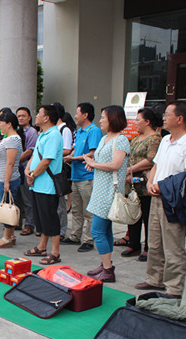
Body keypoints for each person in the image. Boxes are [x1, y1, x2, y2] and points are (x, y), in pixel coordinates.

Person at [135, 101, 186, 298]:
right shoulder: (165, 140)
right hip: (156, 195)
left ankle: (174, 287)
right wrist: (150, 183)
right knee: (154, 242)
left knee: (173, 245)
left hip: (174, 199)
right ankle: (154, 278)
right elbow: (155, 165)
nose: (163, 117)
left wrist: (163, 186)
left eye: (167, 114)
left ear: (179, 119)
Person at [82, 106, 130, 282]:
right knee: (106, 230)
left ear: (113, 119)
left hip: (110, 191)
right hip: (100, 189)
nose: (101, 120)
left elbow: (116, 164)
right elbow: (103, 162)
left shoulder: (121, 140)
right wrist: (92, 162)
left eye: (103, 117)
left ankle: (108, 269)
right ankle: (105, 264)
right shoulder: (104, 139)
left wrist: (94, 165)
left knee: (96, 231)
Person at [119, 108, 162, 262]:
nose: (135, 123)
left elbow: (151, 160)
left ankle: (149, 248)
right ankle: (134, 243)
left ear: (147, 122)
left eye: (138, 120)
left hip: (145, 183)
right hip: (132, 184)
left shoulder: (155, 139)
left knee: (147, 216)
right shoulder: (137, 139)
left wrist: (130, 170)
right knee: (133, 214)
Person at [24, 105, 64, 265]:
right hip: (37, 184)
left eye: (39, 113)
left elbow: (46, 161)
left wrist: (32, 174)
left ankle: (55, 252)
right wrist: (28, 171)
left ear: (47, 117)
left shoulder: (54, 135)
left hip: (47, 185)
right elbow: (35, 155)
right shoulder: (43, 134)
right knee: (41, 218)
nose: (37, 116)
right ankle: (42, 246)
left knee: (50, 218)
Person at [62, 102, 102, 253]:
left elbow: (93, 154)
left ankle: (88, 240)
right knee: (77, 209)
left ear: (85, 115)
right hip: (76, 175)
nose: (75, 116)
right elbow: (76, 149)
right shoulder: (79, 131)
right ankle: (75, 236)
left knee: (88, 211)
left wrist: (74, 158)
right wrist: (71, 156)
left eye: (77, 112)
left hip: (87, 176)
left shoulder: (94, 131)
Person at [0, 111, 24, 249]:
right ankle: (10, 235)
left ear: (9, 124)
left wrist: (6, 181)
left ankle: (7, 237)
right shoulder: (8, 138)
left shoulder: (13, 139)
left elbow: (10, 163)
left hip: (8, 179)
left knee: (8, 208)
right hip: (3, 177)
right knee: (7, 206)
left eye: (1, 123)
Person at [53, 103, 74, 240]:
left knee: (60, 203)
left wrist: (52, 155)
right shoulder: (51, 129)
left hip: (58, 171)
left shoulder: (64, 130)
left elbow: (67, 149)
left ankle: (61, 230)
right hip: (49, 171)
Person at [16, 106, 38, 237]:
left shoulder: (32, 132)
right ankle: (16, 222)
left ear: (29, 117)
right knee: (17, 196)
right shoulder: (17, 132)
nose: (20, 118)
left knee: (28, 199)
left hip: (27, 168)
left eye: (23, 116)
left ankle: (30, 224)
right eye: (18, 116)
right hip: (16, 169)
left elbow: (30, 151)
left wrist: (14, 160)